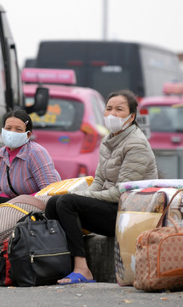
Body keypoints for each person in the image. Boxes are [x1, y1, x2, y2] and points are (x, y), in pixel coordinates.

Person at [45, 89, 158, 285]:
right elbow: (98, 181)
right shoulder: (108, 140)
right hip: (111, 206)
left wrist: (80, 198)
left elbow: (121, 193)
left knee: (67, 203)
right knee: (54, 203)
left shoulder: (136, 144)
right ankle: (59, 265)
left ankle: (83, 269)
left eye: (119, 110)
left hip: (128, 212)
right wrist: (78, 194)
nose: (112, 114)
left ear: (131, 117)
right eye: (109, 109)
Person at [0, 109, 61, 224]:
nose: (12, 132)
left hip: (36, 205)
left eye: (18, 129)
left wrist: (19, 201)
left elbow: (50, 190)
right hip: (14, 204)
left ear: (28, 134)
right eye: (8, 128)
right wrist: (12, 202)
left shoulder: (35, 152)